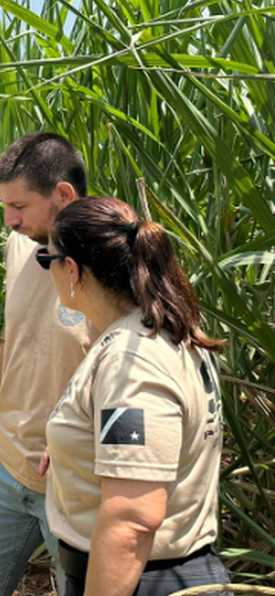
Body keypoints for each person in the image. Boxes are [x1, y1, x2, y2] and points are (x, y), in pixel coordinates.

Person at [42, 196, 230, 596]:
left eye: (48, 259)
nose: (49, 270)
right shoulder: (168, 326)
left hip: (140, 580)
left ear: (71, 269)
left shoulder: (133, 362)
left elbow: (132, 519)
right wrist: (69, 446)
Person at [0, 132, 96, 596]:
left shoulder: (112, 260)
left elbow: (128, 365)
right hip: (5, 461)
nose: (8, 219)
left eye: (19, 205)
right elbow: (14, 329)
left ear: (63, 195)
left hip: (73, 483)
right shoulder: (20, 243)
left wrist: (75, 437)